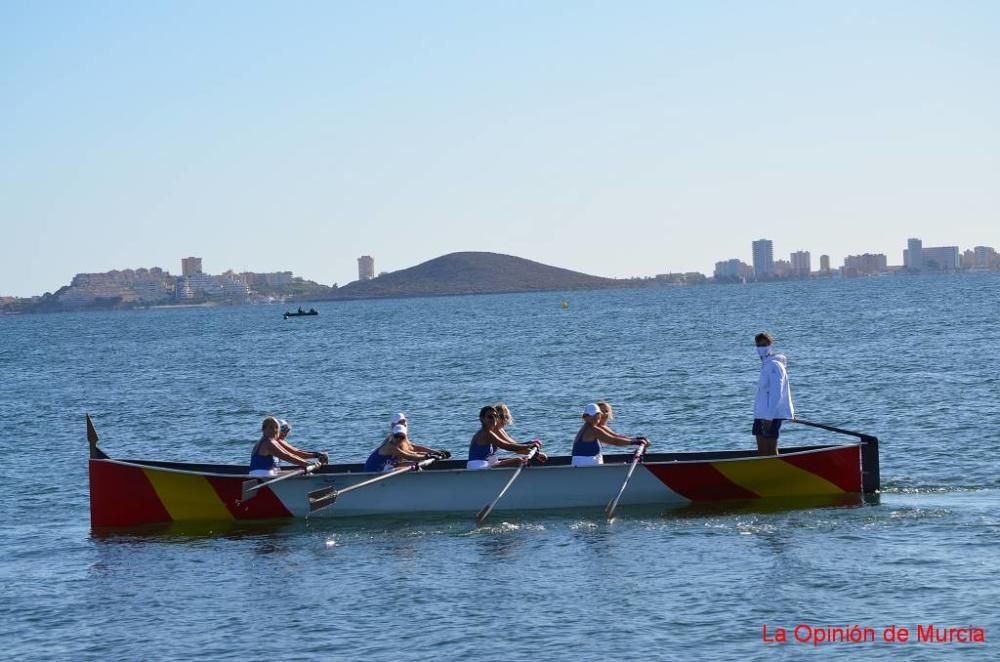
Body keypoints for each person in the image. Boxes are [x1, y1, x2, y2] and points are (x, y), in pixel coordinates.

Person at [752, 332, 795, 456]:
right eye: (758, 345)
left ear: (770, 345)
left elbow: (777, 393)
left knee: (770, 450)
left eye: (764, 345)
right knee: (761, 451)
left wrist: (769, 418)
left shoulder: (775, 365)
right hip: (761, 414)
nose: (761, 348)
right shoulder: (765, 365)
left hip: (771, 416)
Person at [467, 405, 546, 470]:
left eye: (496, 416)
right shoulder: (488, 433)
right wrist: (531, 446)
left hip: (486, 463)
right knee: (519, 462)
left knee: (519, 461)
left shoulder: (492, 431)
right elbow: (509, 446)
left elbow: (514, 445)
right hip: (478, 467)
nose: (503, 420)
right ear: (482, 419)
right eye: (490, 417)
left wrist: (533, 447)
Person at [572, 403, 648, 466]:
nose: (596, 417)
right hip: (586, 468)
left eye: (598, 414)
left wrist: (635, 440)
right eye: (592, 415)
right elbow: (614, 441)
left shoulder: (586, 428)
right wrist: (635, 442)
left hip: (585, 466)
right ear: (585, 417)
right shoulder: (593, 430)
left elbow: (615, 436)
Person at [249, 416, 323, 477]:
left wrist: (309, 462)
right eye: (271, 427)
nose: (274, 430)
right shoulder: (268, 443)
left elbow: (291, 454)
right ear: (263, 429)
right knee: (301, 472)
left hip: (270, 473)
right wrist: (309, 464)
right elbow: (287, 457)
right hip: (262, 476)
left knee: (298, 471)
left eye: (276, 427)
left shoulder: (271, 441)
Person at [363, 424, 434, 472]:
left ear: (405, 438)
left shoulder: (400, 446)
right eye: (397, 436)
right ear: (392, 436)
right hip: (373, 474)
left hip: (386, 469)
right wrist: (427, 456)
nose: (399, 439)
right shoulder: (390, 447)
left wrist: (432, 453)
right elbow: (409, 456)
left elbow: (414, 453)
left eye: (402, 437)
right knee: (414, 467)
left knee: (412, 464)